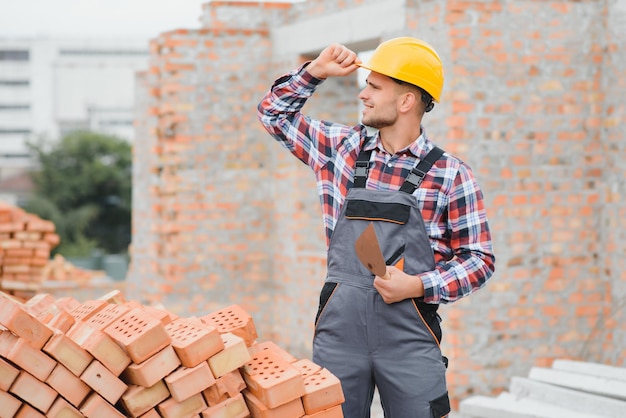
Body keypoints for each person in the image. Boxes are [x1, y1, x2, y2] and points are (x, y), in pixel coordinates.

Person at [257, 37, 495, 418]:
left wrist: (418, 285)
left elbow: (479, 260)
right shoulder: (341, 150)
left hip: (408, 337)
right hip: (340, 333)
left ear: (406, 102)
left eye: (375, 86)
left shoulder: (451, 175)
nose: (363, 95)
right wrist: (315, 72)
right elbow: (273, 114)